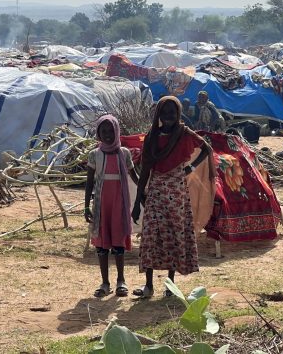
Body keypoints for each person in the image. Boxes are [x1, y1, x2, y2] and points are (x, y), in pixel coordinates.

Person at [132, 96, 214, 298]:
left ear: (178, 114)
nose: (168, 116)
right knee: (151, 235)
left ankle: (170, 285)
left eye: (172, 112)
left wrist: (191, 167)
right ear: (158, 114)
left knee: (174, 233)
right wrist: (137, 202)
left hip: (177, 190)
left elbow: (206, 148)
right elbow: (145, 171)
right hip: (157, 190)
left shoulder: (184, 134)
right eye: (164, 112)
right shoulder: (152, 137)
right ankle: (148, 285)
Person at [84, 115, 140, 298]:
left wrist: (142, 195)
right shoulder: (94, 155)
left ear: (117, 131)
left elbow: (134, 176)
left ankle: (121, 281)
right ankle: (105, 282)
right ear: (98, 133)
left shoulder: (124, 153)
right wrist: (86, 206)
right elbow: (90, 182)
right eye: (103, 131)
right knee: (102, 244)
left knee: (118, 242)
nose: (107, 135)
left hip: (119, 204)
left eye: (111, 131)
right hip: (101, 204)